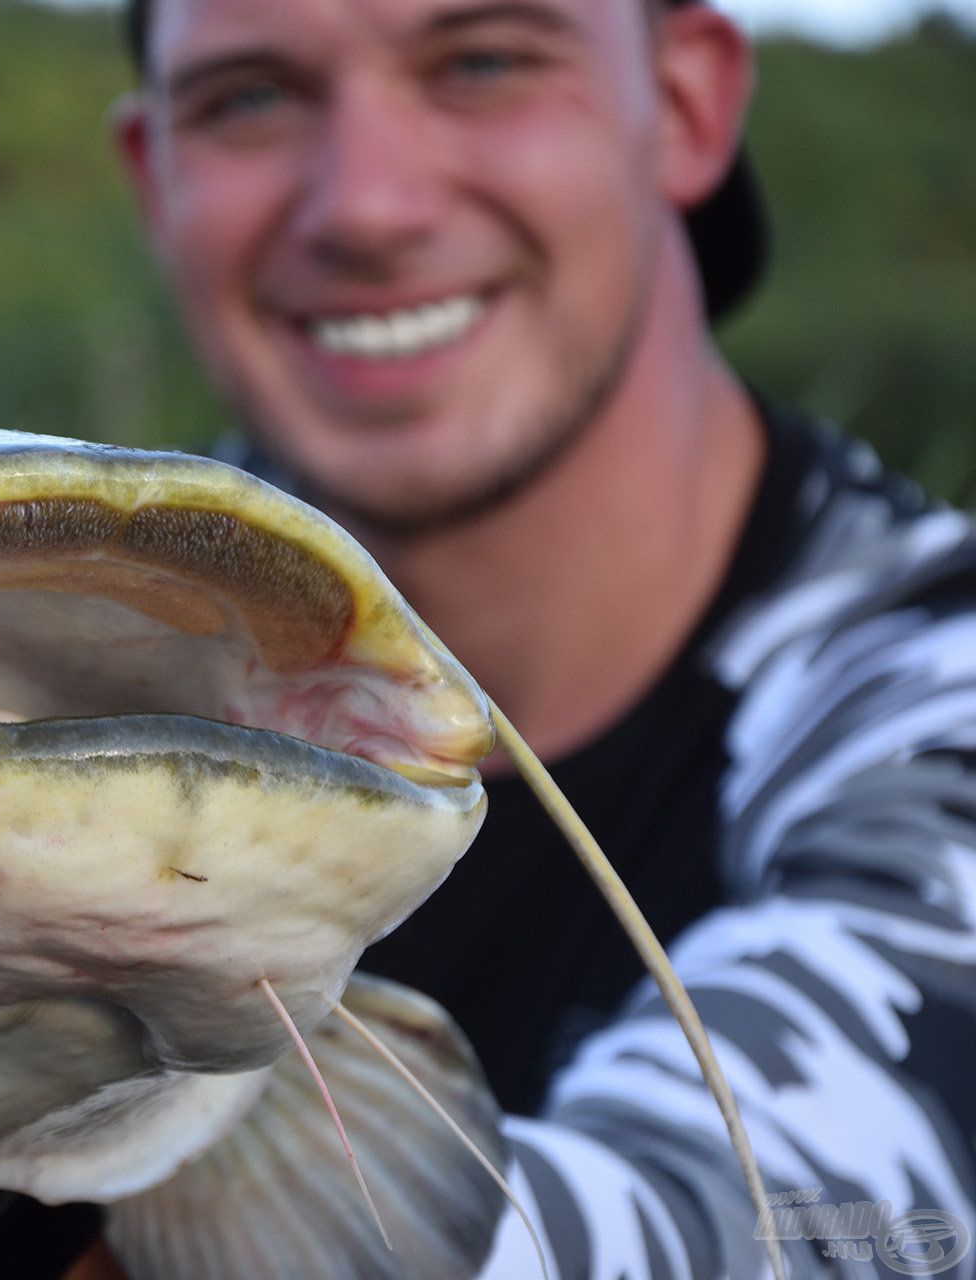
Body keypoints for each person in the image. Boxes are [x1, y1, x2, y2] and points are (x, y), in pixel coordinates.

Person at [90, 0, 976, 1275]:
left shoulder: (930, 702)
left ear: (684, 102)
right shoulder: (25, 667)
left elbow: (794, 1231)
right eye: (249, 97)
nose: (366, 205)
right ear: (155, 178)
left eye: (484, 62)